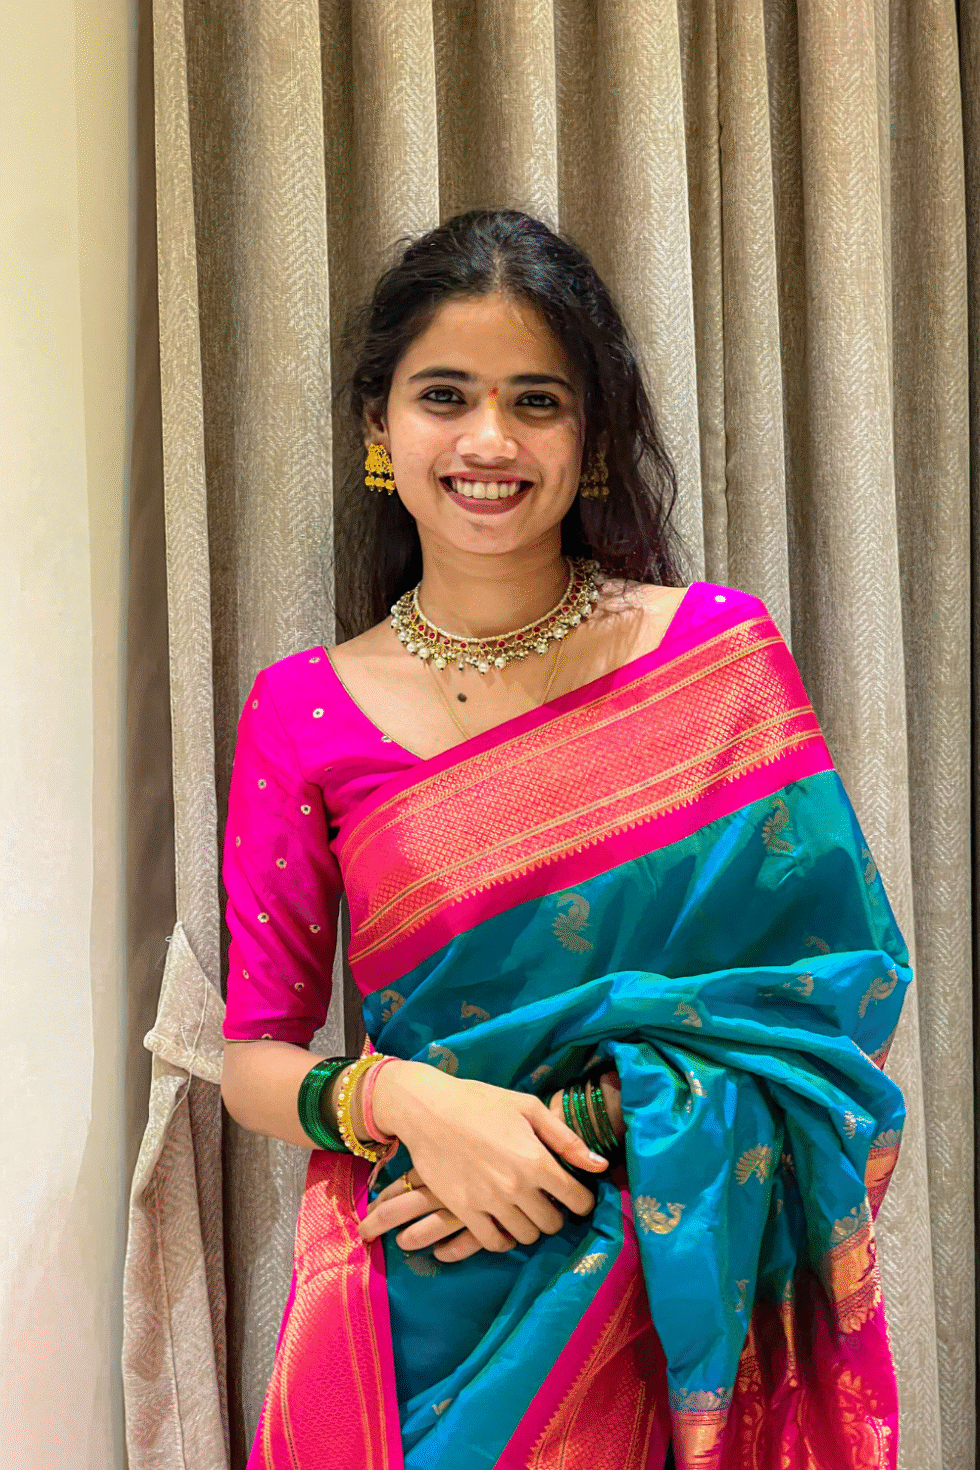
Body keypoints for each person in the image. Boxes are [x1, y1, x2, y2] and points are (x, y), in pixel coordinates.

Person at [220, 209, 909, 1470]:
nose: (488, 441)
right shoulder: (301, 710)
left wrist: (580, 1120)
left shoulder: (712, 657)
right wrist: (407, 1098)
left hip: (672, 1291)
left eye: (535, 401)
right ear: (378, 425)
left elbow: (835, 996)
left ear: (589, 437)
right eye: (444, 395)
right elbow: (252, 1060)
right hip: (417, 1288)